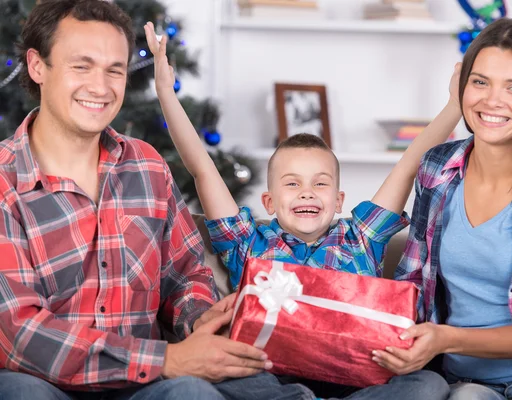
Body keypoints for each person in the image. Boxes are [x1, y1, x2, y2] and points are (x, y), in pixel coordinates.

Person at [0, 1, 320, 399]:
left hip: (142, 387)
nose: (100, 87)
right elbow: (19, 333)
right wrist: (168, 360)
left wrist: (199, 319)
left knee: (201, 392)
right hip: (42, 383)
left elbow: (187, 274)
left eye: (114, 70)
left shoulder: (147, 168)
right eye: (81, 67)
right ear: (37, 66)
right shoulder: (4, 181)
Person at [145, 20, 458, 399]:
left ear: (339, 201)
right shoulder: (249, 243)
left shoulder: (361, 237)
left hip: (353, 383)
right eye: (292, 183)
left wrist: (455, 105)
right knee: (222, 376)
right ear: (270, 202)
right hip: (273, 382)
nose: (307, 193)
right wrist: (166, 93)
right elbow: (202, 170)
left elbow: (410, 163)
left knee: (430, 384)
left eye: (320, 183)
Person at [378, 18, 512, 400]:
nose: (492, 100)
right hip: (465, 383)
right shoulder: (437, 170)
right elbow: (409, 285)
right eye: (479, 82)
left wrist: (443, 339)